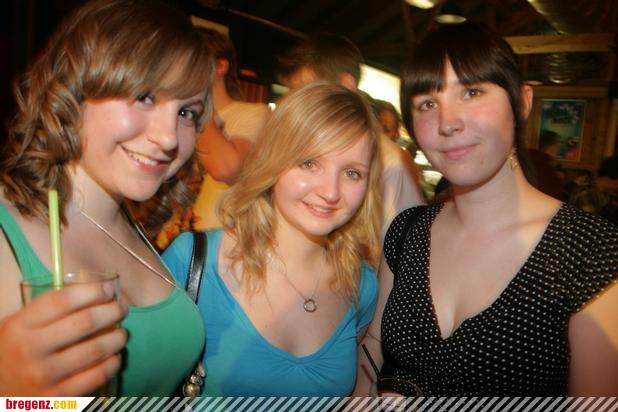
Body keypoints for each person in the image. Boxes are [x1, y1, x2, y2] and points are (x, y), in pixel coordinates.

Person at [355, 22, 618, 396]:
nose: (448, 123)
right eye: (427, 103)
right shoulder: (407, 230)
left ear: (522, 102)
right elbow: (374, 352)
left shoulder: (592, 250)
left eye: (472, 92)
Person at [0, 0, 213, 396]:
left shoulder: (130, 223)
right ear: (75, 88)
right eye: (145, 96)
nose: (168, 137)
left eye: (187, 112)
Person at [162, 82, 383, 396]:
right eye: (309, 163)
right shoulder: (192, 262)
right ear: (274, 160)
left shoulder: (362, 285)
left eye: (352, 173)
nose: (331, 192)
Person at [278, 33, 424, 240]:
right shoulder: (293, 146)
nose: (293, 101)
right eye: (291, 91)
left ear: (346, 86)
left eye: (305, 90)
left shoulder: (388, 162)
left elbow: (402, 247)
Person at [527, 129, 566, 200]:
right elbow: (554, 199)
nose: (559, 149)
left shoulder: (526, 159)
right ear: (553, 147)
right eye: (558, 145)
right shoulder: (548, 172)